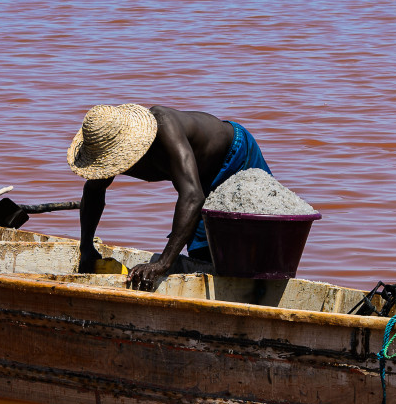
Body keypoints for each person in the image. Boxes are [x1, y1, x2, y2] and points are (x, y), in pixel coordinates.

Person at [68, 103, 273, 291]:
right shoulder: (107, 152)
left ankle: (256, 297)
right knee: (203, 251)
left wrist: (163, 263)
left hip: (234, 157)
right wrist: (86, 246)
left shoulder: (165, 129)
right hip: (197, 178)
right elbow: (93, 190)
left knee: (253, 247)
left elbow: (192, 196)